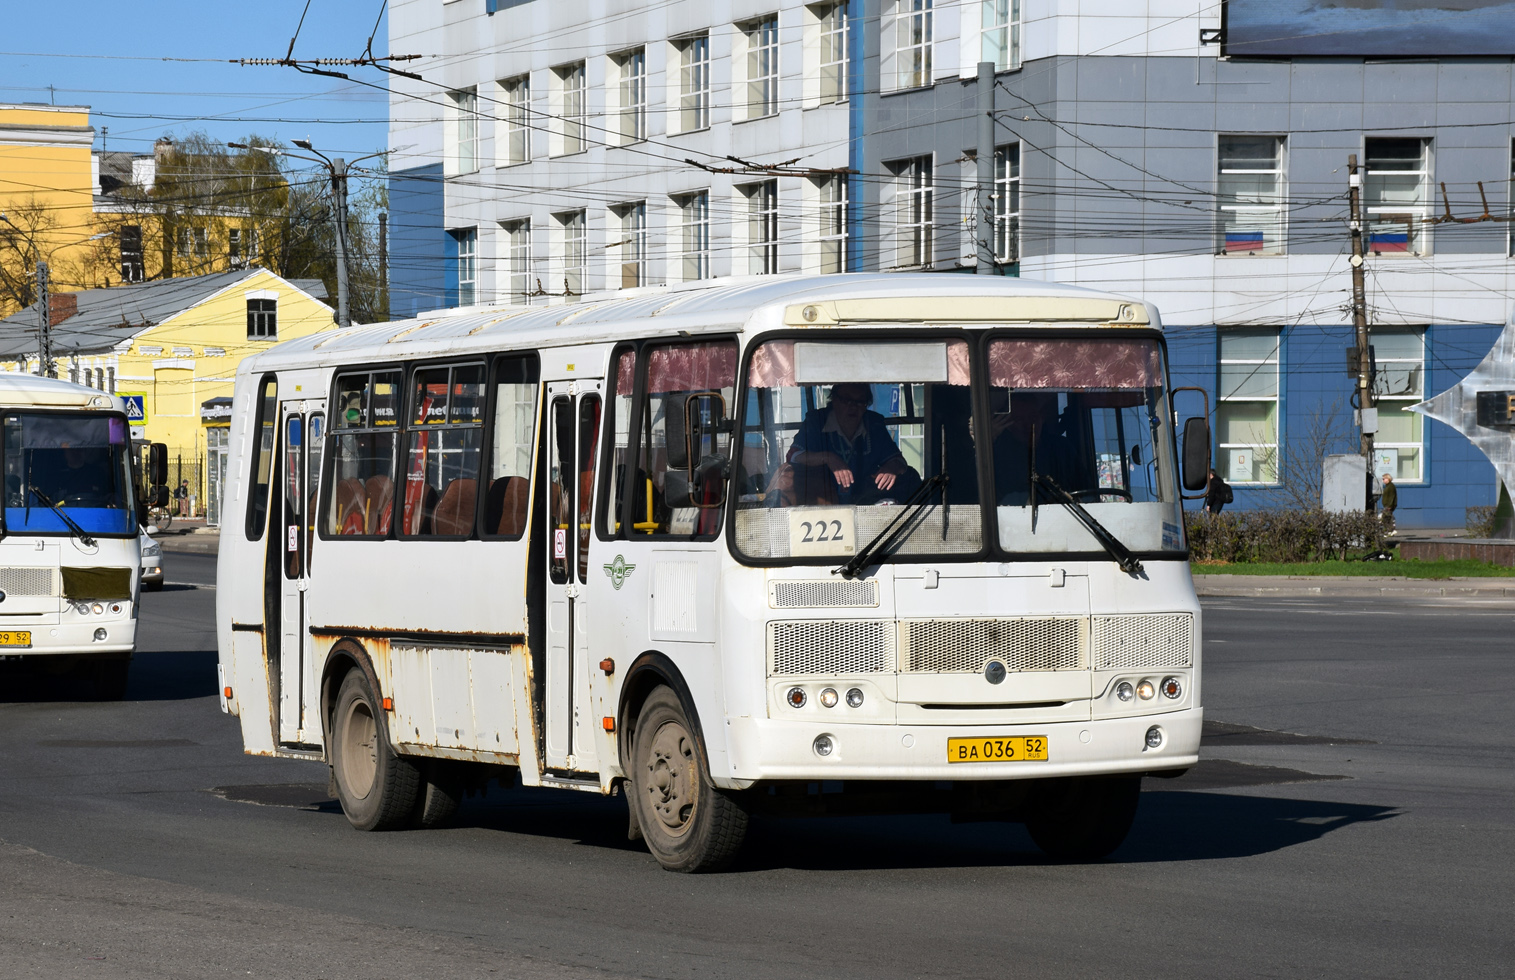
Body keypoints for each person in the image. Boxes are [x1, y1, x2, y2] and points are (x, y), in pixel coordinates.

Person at [787, 383, 911, 504]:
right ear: (834, 400)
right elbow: (793, 455)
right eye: (846, 400)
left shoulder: (874, 423)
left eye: (860, 401)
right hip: (822, 502)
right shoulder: (816, 421)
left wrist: (892, 468)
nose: (853, 406)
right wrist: (827, 457)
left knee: (911, 476)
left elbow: (898, 459)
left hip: (864, 501)